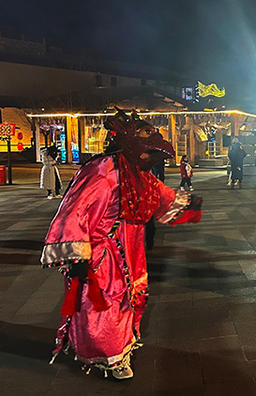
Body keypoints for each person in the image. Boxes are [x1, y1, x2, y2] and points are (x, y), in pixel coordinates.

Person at [41, 109, 202, 379]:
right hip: (102, 252)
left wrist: (192, 206)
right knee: (104, 304)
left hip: (132, 248)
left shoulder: (137, 173)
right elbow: (73, 210)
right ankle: (110, 357)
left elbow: (161, 196)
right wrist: (77, 255)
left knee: (129, 299)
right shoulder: (101, 170)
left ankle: (120, 347)